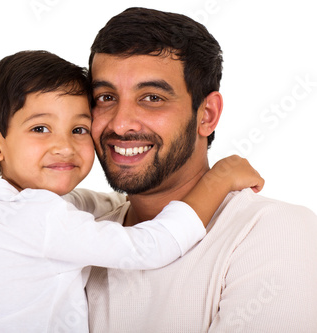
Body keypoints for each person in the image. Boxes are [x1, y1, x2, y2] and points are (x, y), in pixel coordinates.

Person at [0, 50, 264, 332]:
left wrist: (144, 196)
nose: (64, 147)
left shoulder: (5, 206)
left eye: (79, 129)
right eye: (40, 129)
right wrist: (218, 180)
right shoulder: (38, 218)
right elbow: (151, 247)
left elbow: (91, 204)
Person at [85, 7, 317, 332]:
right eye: (106, 97)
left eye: (152, 97)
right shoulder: (80, 237)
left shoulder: (275, 232)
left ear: (206, 115)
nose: (121, 124)